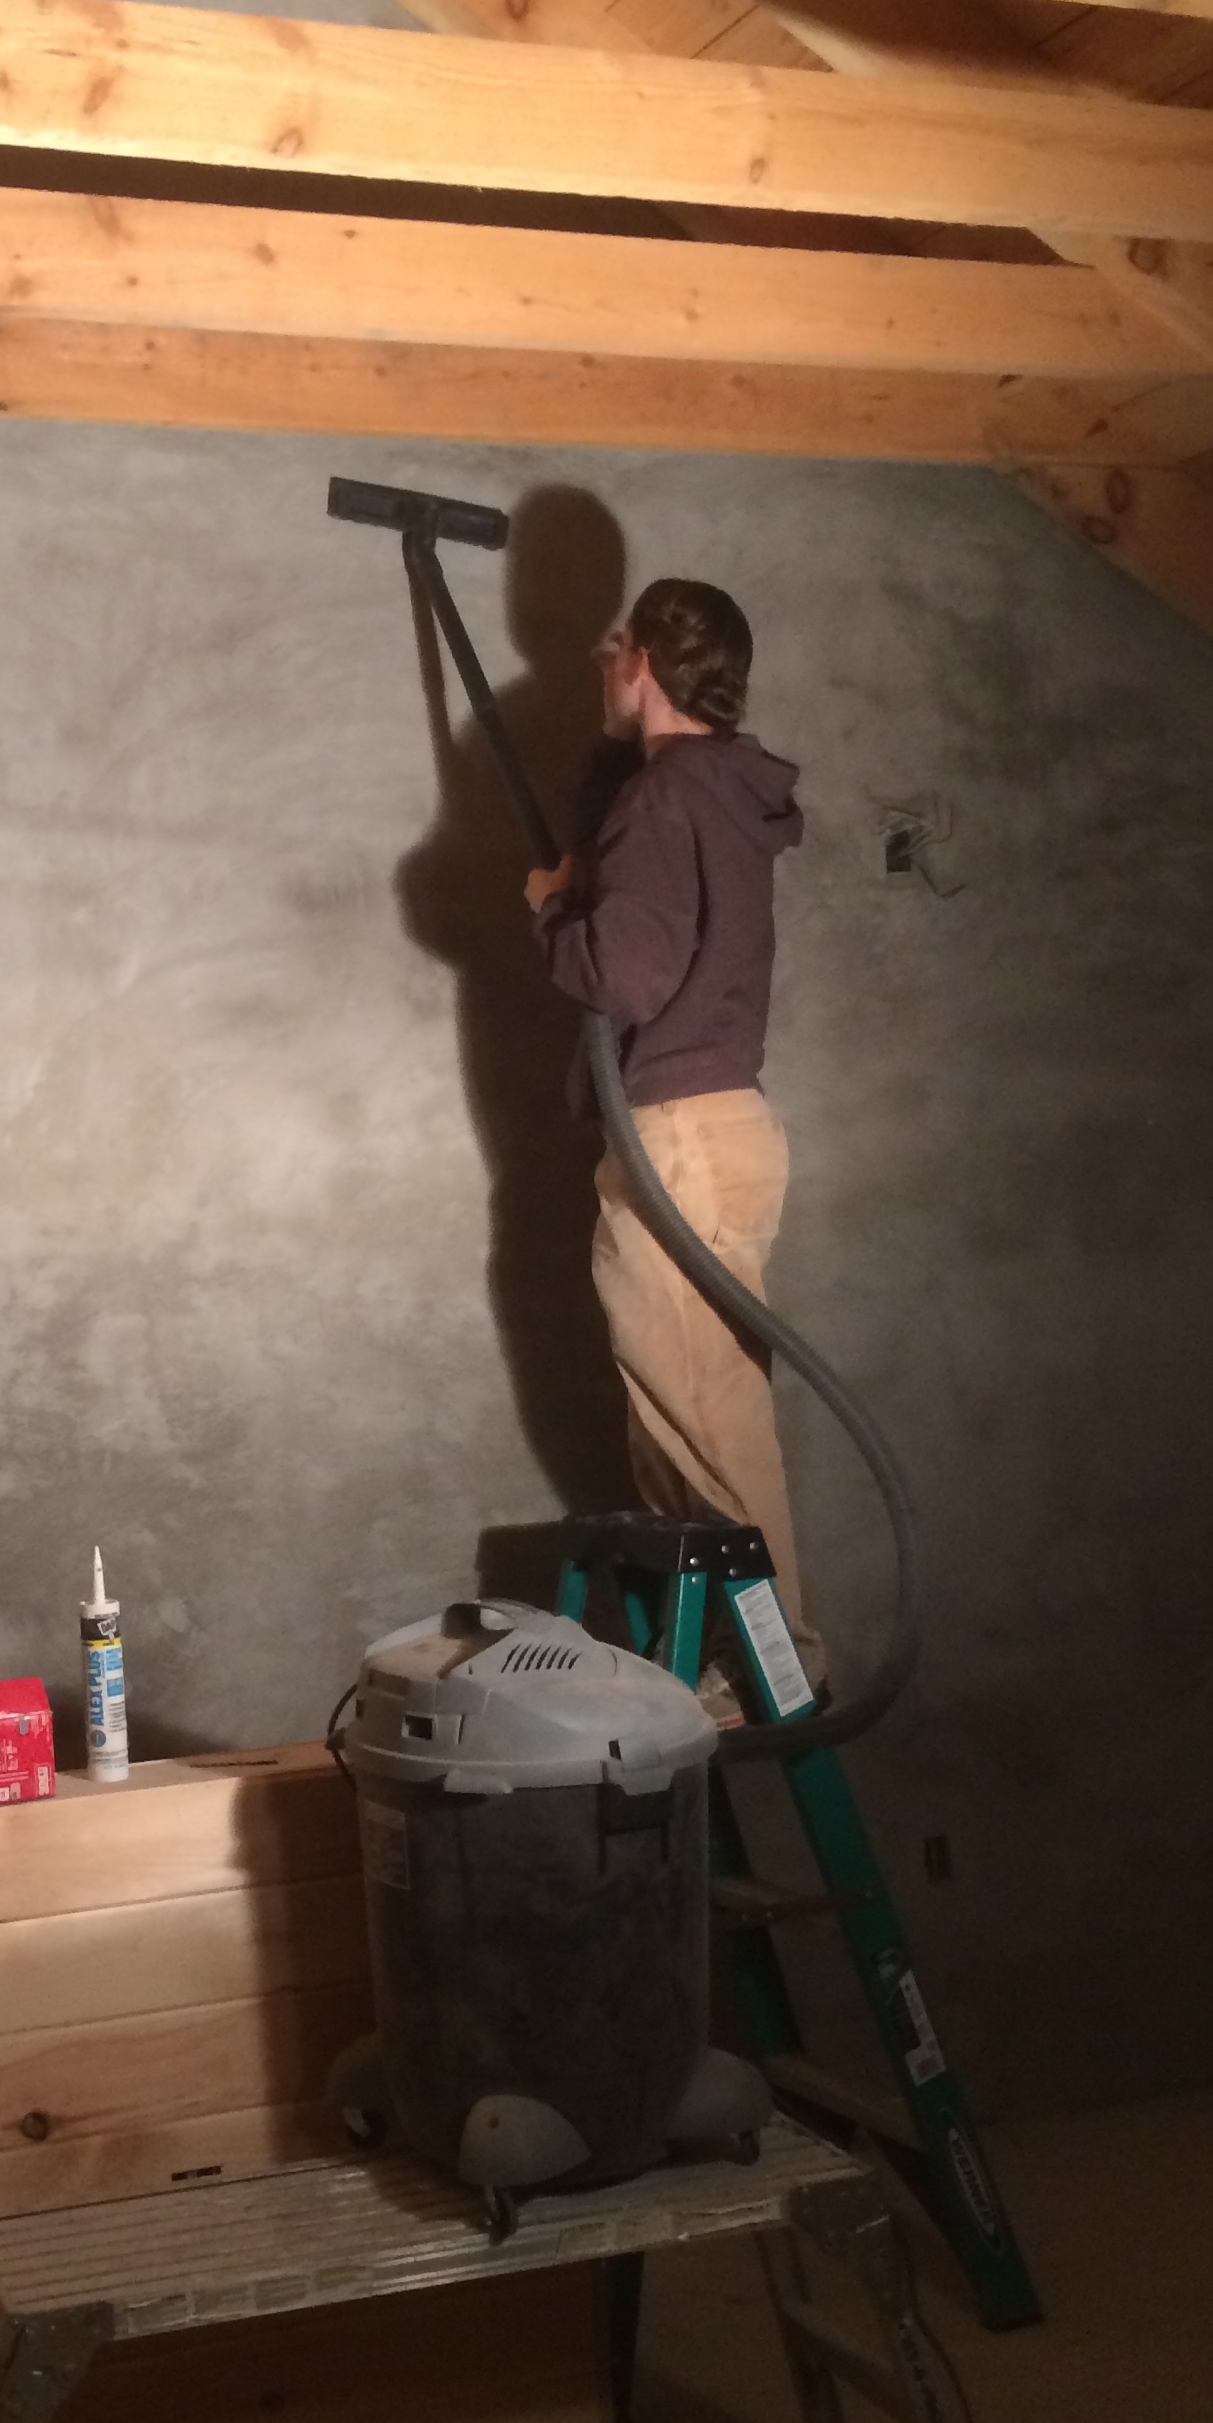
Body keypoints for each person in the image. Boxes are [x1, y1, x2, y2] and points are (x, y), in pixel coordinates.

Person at [523, 577, 821, 1683]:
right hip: (718, 1130)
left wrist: (552, 907)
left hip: (679, 1138)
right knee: (691, 1409)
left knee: (703, 1417)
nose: (604, 666)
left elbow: (625, 975)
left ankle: (776, 1668)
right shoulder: (716, 790)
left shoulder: (664, 796)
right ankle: (721, 1663)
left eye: (616, 649)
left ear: (644, 661)